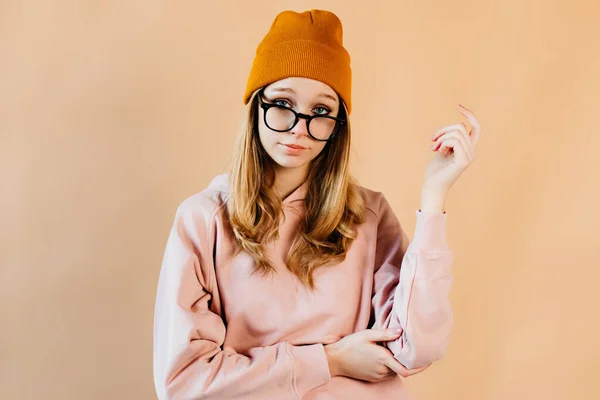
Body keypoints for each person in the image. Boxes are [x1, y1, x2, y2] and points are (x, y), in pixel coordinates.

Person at [153, 8, 481, 400]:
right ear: (255, 107)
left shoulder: (368, 215)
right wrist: (330, 361)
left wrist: (433, 197)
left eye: (322, 111)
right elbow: (186, 383)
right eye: (282, 103)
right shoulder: (204, 219)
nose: (298, 126)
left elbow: (415, 349)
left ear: (338, 124)